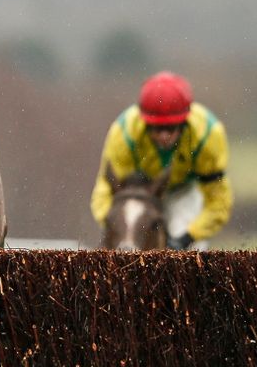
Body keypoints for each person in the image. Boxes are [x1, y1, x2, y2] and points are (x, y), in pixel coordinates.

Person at [90, 71, 233, 250]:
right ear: (144, 122)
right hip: (139, 194)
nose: (164, 136)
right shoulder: (123, 134)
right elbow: (106, 189)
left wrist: (188, 237)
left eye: (170, 127)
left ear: (184, 121)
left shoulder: (209, 135)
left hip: (184, 191)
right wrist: (111, 221)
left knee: (185, 247)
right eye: (156, 128)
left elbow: (217, 201)